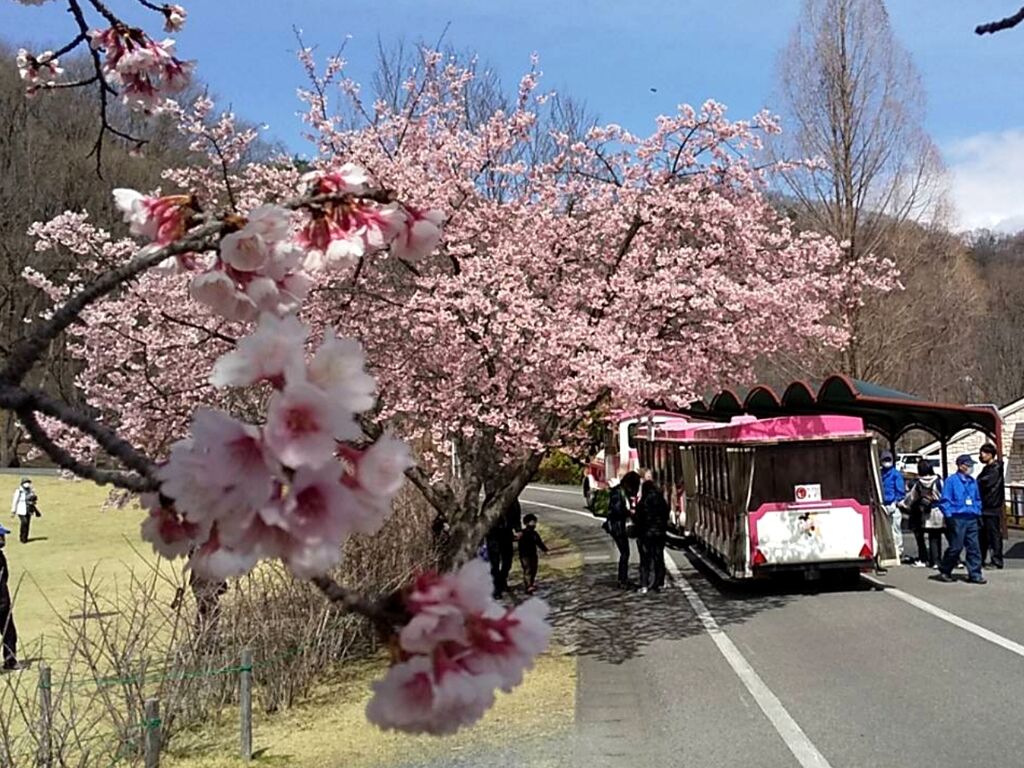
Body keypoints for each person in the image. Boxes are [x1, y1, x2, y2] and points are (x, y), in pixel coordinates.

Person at [937, 454, 985, 584]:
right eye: (967, 465)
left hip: (971, 517)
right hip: (957, 517)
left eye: (971, 465)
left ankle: (975, 573)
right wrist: (949, 516)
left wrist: (977, 510)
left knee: (974, 547)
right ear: (960, 466)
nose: (970, 468)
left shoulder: (972, 481)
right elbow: (945, 500)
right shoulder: (951, 481)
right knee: (956, 547)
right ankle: (945, 569)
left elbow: (977, 498)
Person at [634, 477, 670, 594]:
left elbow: (638, 518)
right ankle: (660, 582)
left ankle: (644, 584)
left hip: (646, 534)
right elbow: (666, 514)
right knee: (658, 557)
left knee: (645, 560)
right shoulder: (661, 500)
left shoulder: (643, 502)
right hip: (659, 533)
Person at [906, 459, 944, 568]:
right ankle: (937, 560)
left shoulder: (919, 483)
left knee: (931, 536)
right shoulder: (938, 480)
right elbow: (943, 494)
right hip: (938, 509)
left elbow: (911, 498)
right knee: (936, 536)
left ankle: (931, 560)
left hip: (927, 511)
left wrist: (904, 504)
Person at [604, 471, 640, 589]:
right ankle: (622, 579)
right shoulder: (618, 493)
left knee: (625, 552)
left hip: (619, 525)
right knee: (625, 552)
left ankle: (623, 578)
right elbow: (617, 509)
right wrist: (628, 512)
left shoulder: (623, 492)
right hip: (617, 526)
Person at [486, 498, 522, 598]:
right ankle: (496, 588)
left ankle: (502, 580)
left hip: (507, 533)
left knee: (507, 561)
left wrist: (518, 529)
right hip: (493, 534)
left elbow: (516, 515)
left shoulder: (512, 499)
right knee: (494, 563)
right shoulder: (491, 499)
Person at [977, 442, 1005, 570]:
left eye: (983, 453)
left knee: (993, 535)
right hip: (985, 506)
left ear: (990, 454)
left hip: (992, 506)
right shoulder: (988, 468)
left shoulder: (994, 469)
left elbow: (985, 483)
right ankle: (981, 559)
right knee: (982, 535)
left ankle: (996, 560)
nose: (981, 456)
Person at [879, 451, 905, 561]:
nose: (887, 462)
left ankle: (898, 551)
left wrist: (896, 502)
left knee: (896, 529)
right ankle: (887, 551)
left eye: (888, 460)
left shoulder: (896, 474)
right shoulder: (879, 474)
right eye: (885, 460)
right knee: (884, 530)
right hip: (882, 505)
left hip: (894, 505)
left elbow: (900, 490)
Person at [0, 524, 19, 671]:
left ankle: (10, 661)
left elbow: (5, 577)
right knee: (9, 633)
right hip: (1, 603)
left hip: (4, 603)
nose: (3, 539)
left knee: (10, 634)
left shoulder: (1, 557)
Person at [518, 513, 549, 594]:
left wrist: (545, 550)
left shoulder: (534, 534)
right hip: (524, 555)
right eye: (532, 522)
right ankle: (528, 586)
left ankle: (531, 583)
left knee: (534, 569)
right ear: (527, 523)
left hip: (533, 554)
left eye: (534, 522)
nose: (534, 524)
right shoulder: (522, 533)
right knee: (527, 569)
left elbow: (539, 542)